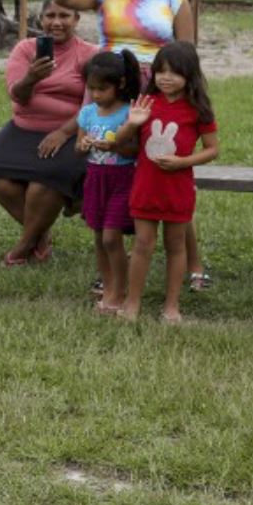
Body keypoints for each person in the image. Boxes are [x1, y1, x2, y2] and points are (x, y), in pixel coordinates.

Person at [54, 0, 212, 290]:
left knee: (164, 177)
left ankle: (194, 265)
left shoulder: (174, 1)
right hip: (110, 95)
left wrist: (187, 103)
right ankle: (110, 271)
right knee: (107, 170)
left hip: (156, 96)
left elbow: (187, 56)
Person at [0, 0, 97, 265]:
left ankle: (22, 248)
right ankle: (40, 235)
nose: (56, 22)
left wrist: (63, 133)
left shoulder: (90, 54)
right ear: (40, 20)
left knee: (46, 180)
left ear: (76, 19)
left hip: (70, 130)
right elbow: (17, 95)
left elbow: (92, 106)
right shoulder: (25, 49)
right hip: (23, 127)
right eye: (50, 15)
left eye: (64, 15)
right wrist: (31, 77)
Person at [119, 42, 219, 323]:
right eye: (160, 71)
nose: (165, 77)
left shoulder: (197, 109)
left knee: (176, 247)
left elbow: (212, 149)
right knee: (142, 244)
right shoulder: (146, 103)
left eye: (174, 72)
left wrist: (182, 162)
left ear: (190, 75)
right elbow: (122, 142)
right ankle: (132, 302)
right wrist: (132, 122)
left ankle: (172, 306)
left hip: (178, 189)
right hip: (146, 186)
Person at [69, 49, 144, 312]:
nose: (96, 95)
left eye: (102, 89)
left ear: (120, 84)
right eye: (92, 89)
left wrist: (114, 146)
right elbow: (78, 148)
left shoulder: (128, 113)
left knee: (112, 237)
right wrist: (85, 143)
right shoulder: (88, 113)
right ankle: (109, 287)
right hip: (95, 179)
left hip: (122, 179)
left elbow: (135, 150)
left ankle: (119, 290)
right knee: (100, 237)